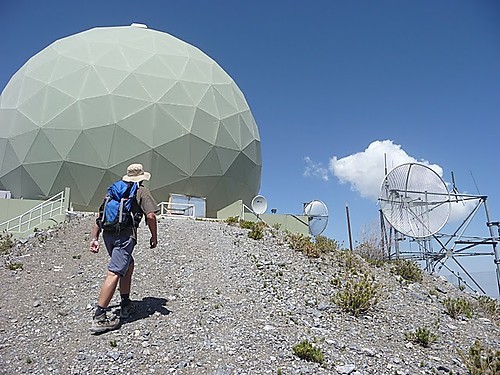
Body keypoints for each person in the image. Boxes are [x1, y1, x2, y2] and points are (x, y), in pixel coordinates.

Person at [89, 163, 159, 334]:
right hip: (125, 236)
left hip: (108, 234)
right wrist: (154, 236)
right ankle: (99, 316)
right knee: (114, 272)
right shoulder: (141, 191)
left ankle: (125, 303)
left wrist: (94, 237)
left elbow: (100, 214)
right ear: (141, 177)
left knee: (128, 265)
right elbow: (150, 215)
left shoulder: (113, 190)